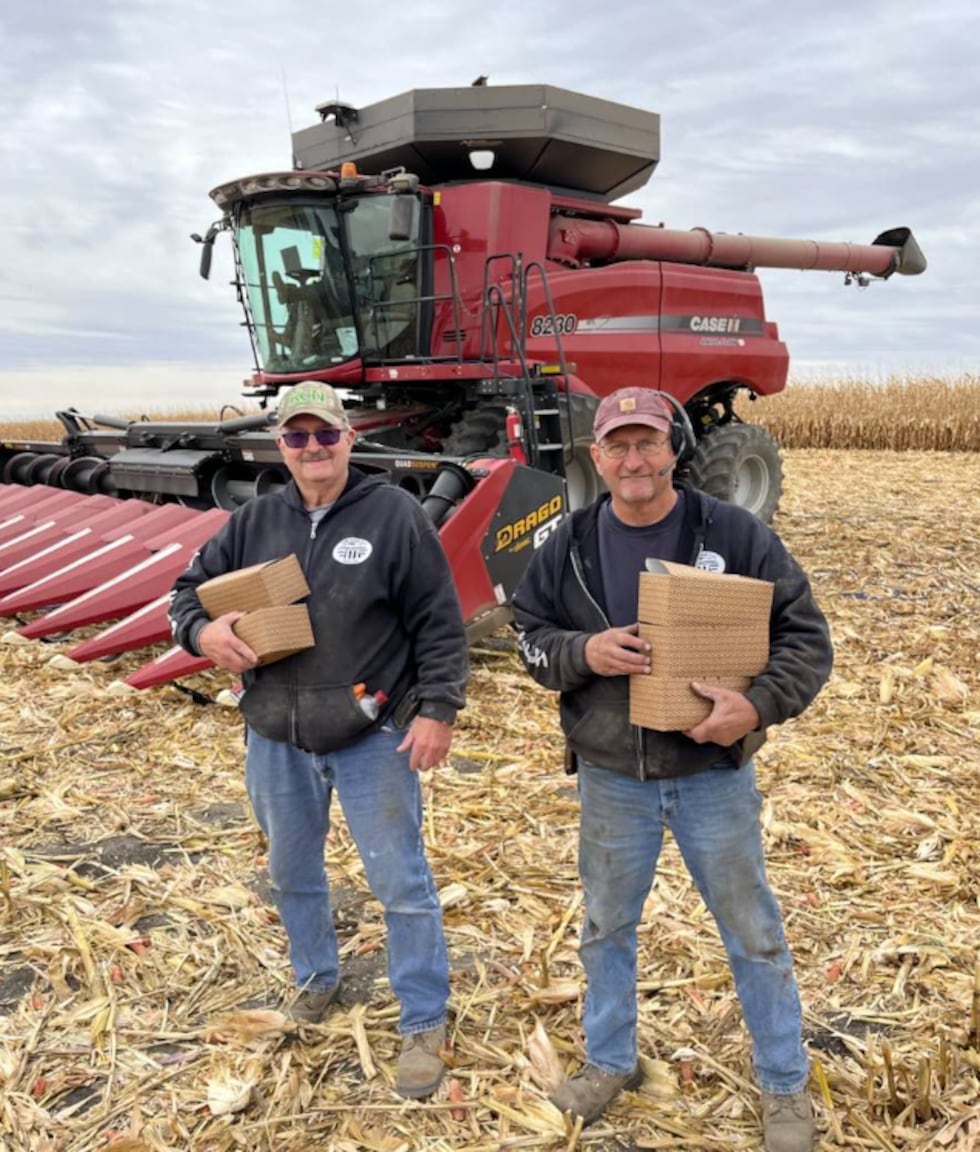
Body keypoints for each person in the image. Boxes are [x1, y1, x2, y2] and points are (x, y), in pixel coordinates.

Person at [511, 387, 832, 1152]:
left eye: (647, 443)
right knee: (605, 928)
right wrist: (581, 653)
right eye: (617, 445)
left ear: (672, 449)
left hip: (711, 774)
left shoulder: (735, 533)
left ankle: (784, 1082)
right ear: (598, 456)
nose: (633, 460)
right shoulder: (570, 544)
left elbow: (806, 640)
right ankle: (610, 1062)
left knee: (752, 931)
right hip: (611, 775)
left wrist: (754, 708)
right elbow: (530, 633)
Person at [169, 380, 468, 1100]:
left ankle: (424, 1018)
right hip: (276, 735)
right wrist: (204, 632)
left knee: (400, 881)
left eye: (326, 434)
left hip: (371, 733)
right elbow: (187, 591)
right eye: (298, 437)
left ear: (349, 439)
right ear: (282, 446)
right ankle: (315, 979)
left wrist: (438, 710)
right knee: (292, 875)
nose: (313, 449)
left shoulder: (394, 514)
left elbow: (437, 620)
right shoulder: (256, 520)